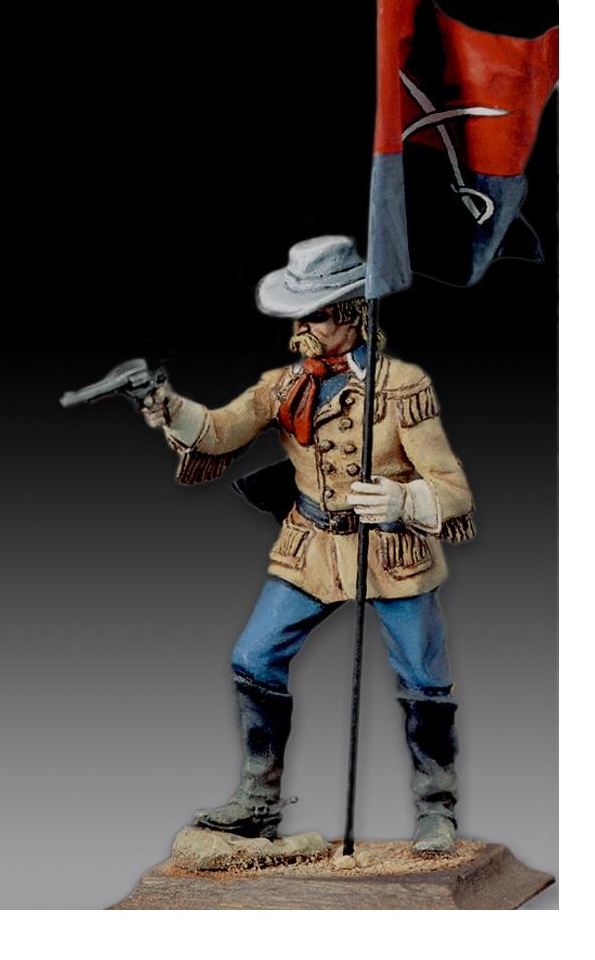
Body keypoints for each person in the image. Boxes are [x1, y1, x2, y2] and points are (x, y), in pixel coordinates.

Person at [141, 235, 476, 854]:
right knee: (254, 657)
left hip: (391, 553)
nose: (301, 328)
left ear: (351, 314)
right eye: (297, 316)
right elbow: (218, 431)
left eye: (315, 315)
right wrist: (173, 410)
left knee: (423, 678)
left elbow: (453, 491)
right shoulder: (284, 386)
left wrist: (404, 501)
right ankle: (258, 801)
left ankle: (437, 809)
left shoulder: (401, 386)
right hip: (312, 547)